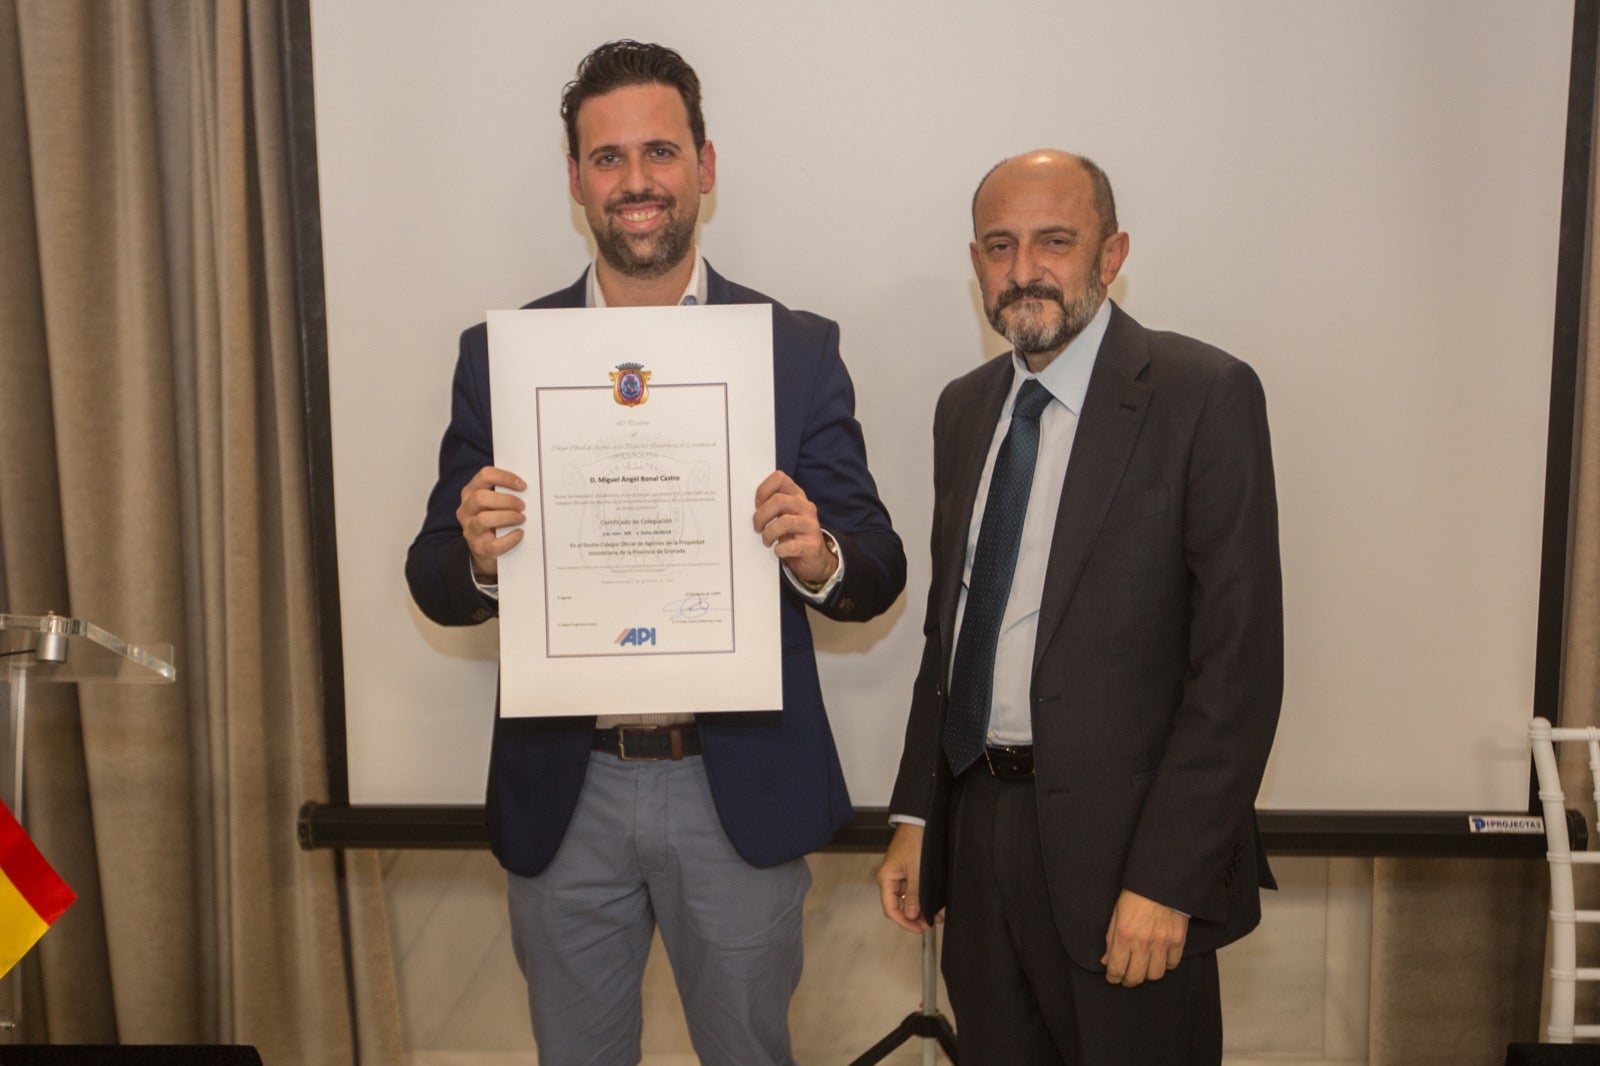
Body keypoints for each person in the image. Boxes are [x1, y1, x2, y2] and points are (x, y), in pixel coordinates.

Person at [406, 40, 905, 1066]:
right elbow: (432, 574)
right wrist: (485, 556)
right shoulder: (501, 355)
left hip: (734, 792)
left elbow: (878, 566)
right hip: (567, 785)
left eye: (660, 153)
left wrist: (815, 558)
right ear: (576, 179)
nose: (636, 182)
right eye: (607, 158)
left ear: (705, 167)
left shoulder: (793, 348)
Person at [875, 150, 1283, 1065]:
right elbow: (951, 631)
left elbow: (1238, 668)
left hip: (1127, 858)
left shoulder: (1201, 395)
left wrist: (1168, 879)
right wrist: (917, 815)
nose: (1026, 270)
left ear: (1112, 254)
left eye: (1056, 242)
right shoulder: (964, 409)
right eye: (1000, 245)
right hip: (978, 840)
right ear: (975, 261)